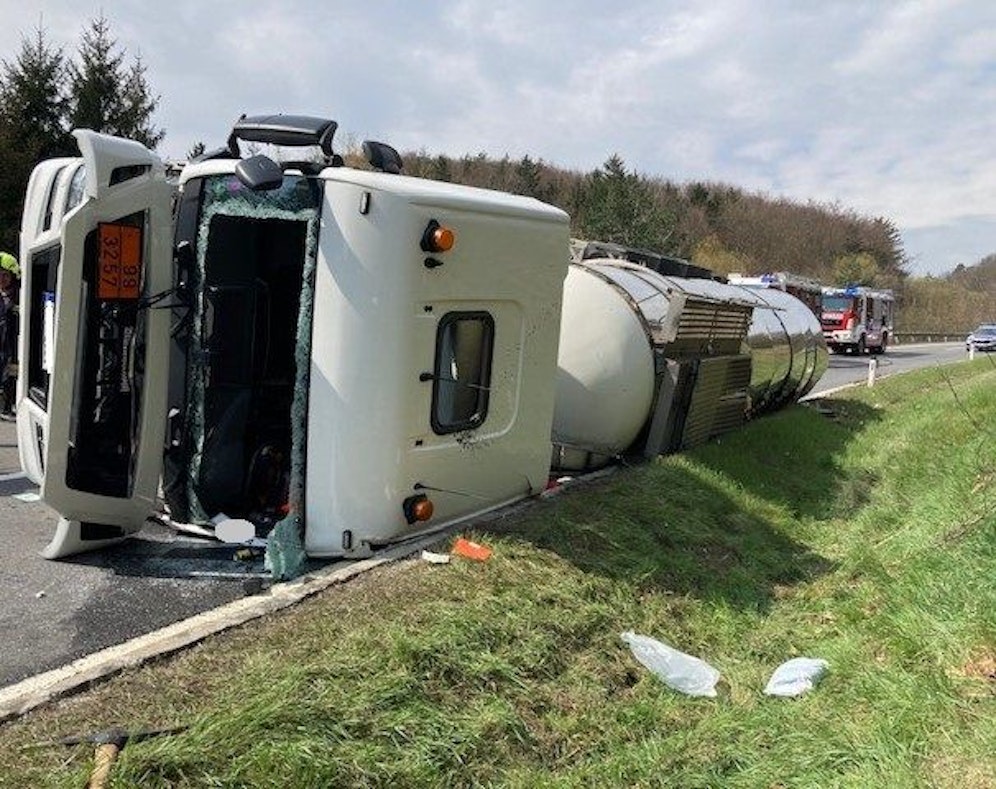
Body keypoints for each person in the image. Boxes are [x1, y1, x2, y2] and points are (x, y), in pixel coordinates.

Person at [0, 251, 20, 418]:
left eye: (5, 275)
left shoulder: (20, 296)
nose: (2, 279)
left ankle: (7, 406)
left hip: (12, 345)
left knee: (10, 375)